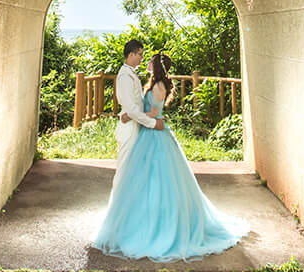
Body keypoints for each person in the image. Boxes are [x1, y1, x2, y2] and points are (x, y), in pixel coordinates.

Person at [93, 43, 249, 261]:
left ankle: (156, 227)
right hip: (145, 132)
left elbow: (151, 111)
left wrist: (133, 115)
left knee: (157, 181)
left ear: (156, 67)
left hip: (153, 135)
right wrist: (130, 114)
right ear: (131, 55)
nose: (144, 60)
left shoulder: (157, 85)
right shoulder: (137, 79)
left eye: (147, 59)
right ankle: (139, 221)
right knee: (139, 180)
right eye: (140, 55)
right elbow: (140, 109)